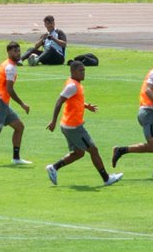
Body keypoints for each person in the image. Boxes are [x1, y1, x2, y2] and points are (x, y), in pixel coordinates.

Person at [44, 60, 122, 188]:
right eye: (81, 71)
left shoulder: (75, 84)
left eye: (84, 70)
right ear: (73, 72)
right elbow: (59, 102)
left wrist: (86, 106)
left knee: (79, 153)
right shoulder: (72, 86)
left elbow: (73, 100)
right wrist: (53, 121)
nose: (83, 73)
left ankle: (54, 167)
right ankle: (107, 178)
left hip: (68, 125)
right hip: (74, 127)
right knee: (94, 150)